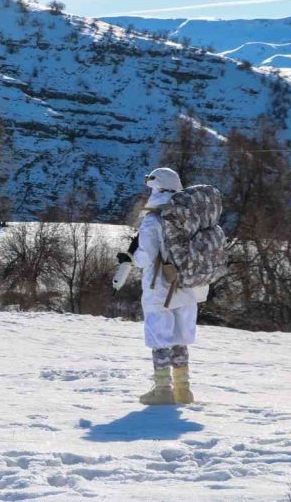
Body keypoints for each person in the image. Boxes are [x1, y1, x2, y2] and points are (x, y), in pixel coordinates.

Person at [114, 168, 207, 405]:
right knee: (179, 337)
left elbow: (145, 257)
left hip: (161, 286)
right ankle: (184, 390)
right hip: (188, 285)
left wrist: (130, 259)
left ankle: (163, 390)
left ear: (157, 188)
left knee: (159, 337)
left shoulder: (153, 219)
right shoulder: (193, 215)